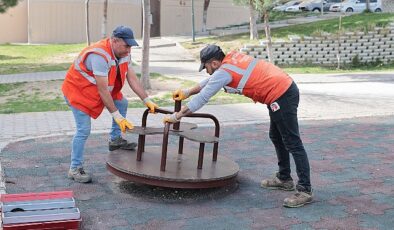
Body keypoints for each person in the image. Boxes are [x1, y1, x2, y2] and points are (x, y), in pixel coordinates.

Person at [163, 44, 312, 208]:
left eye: (205, 67)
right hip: (281, 91)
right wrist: (188, 92)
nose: (205, 70)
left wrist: (176, 116)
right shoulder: (230, 59)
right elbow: (211, 80)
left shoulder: (224, 71)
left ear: (213, 63)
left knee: (292, 142)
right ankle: (284, 178)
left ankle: (305, 190)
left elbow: (203, 98)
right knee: (276, 136)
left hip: (281, 94)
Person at [62, 25, 158, 183]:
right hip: (78, 94)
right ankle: (74, 169)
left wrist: (146, 100)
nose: (128, 50)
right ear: (114, 41)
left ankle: (115, 140)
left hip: (95, 91)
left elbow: (131, 78)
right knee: (83, 130)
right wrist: (117, 117)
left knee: (122, 102)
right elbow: (102, 90)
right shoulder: (99, 55)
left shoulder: (124, 53)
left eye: (130, 46)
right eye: (126, 45)